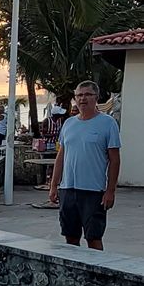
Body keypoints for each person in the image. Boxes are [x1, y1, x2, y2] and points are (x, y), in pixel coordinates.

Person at [49, 80, 121, 251]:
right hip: (68, 190)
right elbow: (61, 156)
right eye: (79, 95)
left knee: (94, 239)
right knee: (71, 238)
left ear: (96, 97)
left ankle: (96, 276)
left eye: (88, 94)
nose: (83, 99)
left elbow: (115, 160)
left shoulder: (108, 123)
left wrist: (110, 190)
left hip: (93, 192)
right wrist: (53, 185)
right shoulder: (69, 124)